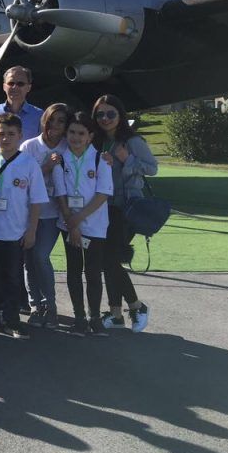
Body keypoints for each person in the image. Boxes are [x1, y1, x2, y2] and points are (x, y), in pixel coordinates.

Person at [0, 112, 48, 339]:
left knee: (13, 278)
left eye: (11, 134)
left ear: (20, 136)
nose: (6, 138)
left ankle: (12, 321)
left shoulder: (29, 164)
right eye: (1, 134)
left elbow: (36, 201)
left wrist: (31, 230)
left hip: (15, 231)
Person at [93, 94, 155, 332]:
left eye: (111, 113)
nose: (105, 118)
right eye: (100, 114)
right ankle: (116, 314)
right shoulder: (98, 141)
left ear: (120, 115)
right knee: (107, 261)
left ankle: (137, 306)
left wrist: (126, 159)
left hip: (126, 208)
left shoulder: (132, 141)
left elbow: (152, 168)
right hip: (103, 207)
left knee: (109, 259)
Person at [55, 111, 114, 337]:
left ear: (90, 136)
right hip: (68, 224)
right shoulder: (60, 159)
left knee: (93, 272)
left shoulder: (100, 160)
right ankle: (79, 317)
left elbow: (102, 194)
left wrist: (78, 219)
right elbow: (60, 194)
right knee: (73, 271)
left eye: (81, 133)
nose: (76, 137)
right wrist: (72, 225)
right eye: (72, 132)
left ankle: (95, 318)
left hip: (94, 226)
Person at [18, 102, 70, 328]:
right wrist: (45, 168)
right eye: (51, 120)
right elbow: (20, 181)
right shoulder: (29, 147)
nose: (55, 125)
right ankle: (35, 305)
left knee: (40, 255)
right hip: (28, 213)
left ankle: (50, 304)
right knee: (29, 261)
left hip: (52, 213)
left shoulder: (68, 147)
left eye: (61, 121)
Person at [0, 66, 43, 143]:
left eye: (20, 84)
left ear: (29, 87)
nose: (15, 87)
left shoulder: (39, 115)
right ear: (4, 87)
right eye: (11, 83)